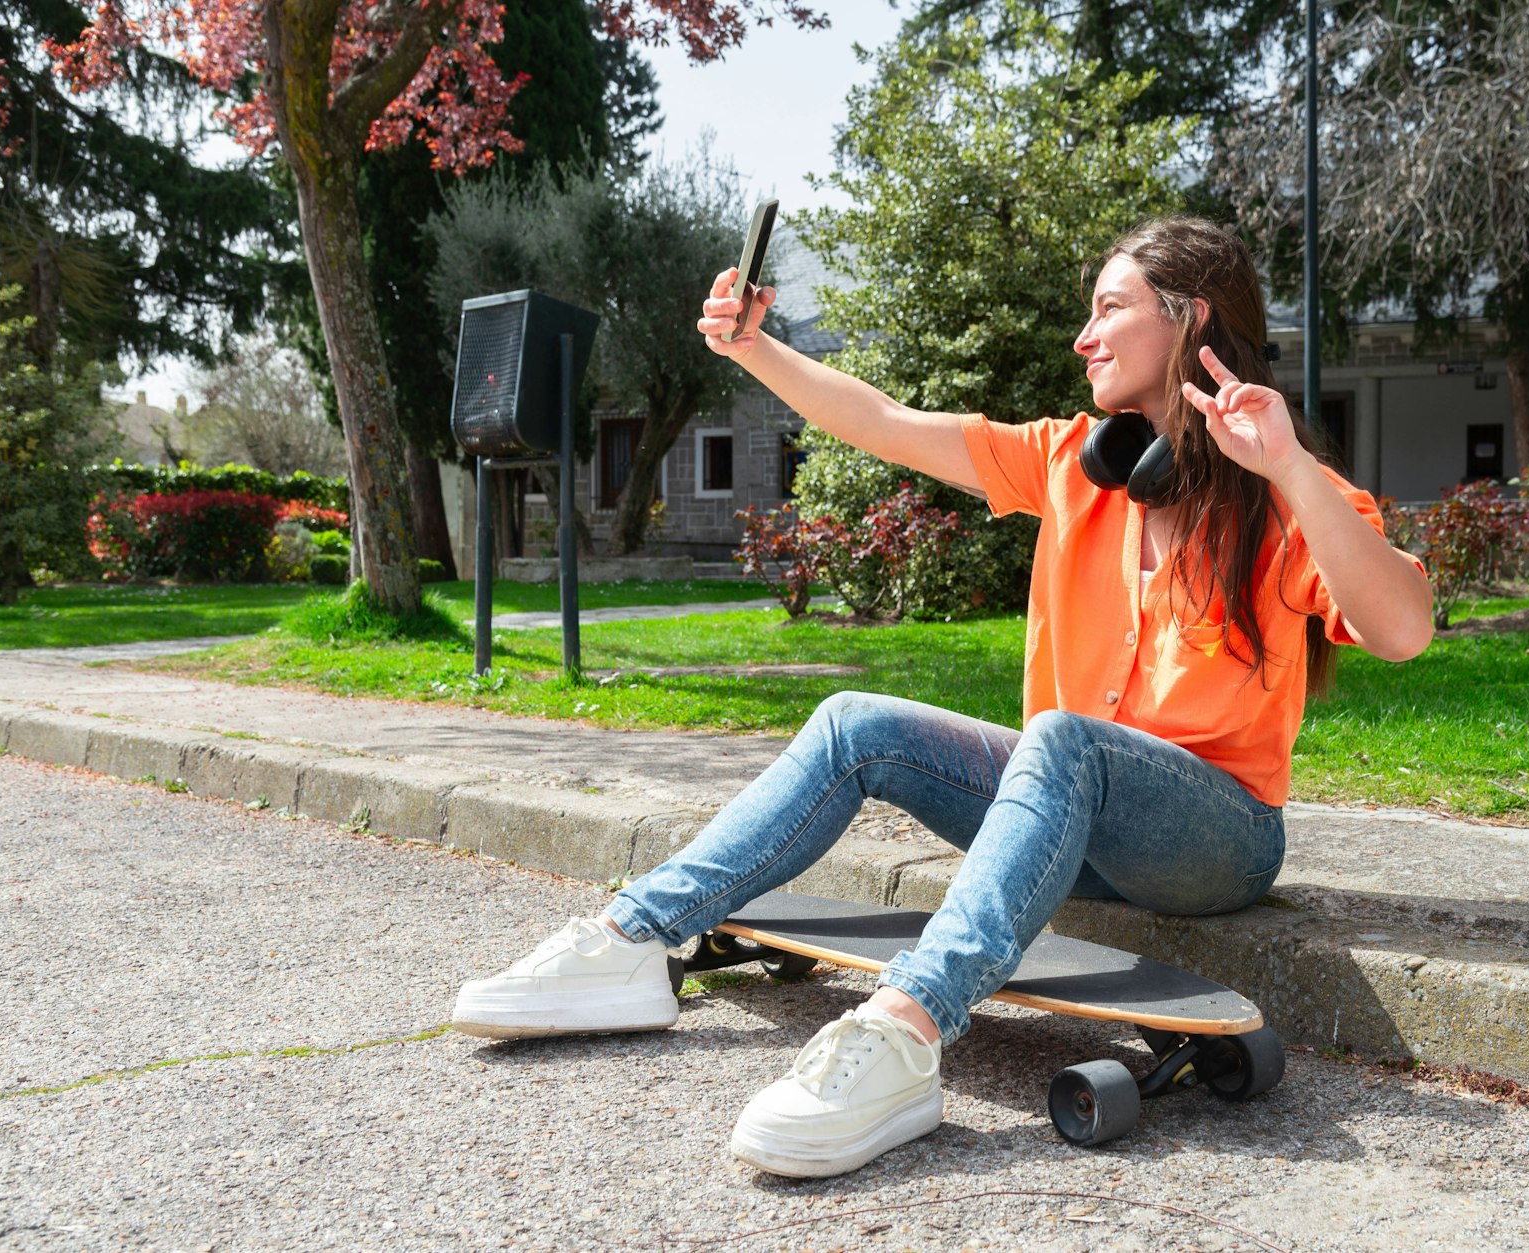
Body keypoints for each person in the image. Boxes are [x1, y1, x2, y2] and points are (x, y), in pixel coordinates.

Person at [452, 216, 1433, 1178]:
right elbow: (881, 424)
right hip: (1066, 815)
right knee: (854, 723)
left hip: (1211, 838)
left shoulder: (1282, 495)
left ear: (1188, 318)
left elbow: (1401, 628)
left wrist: (1289, 468)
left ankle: (903, 1030)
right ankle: (635, 937)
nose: (1081, 336)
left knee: (1061, 741)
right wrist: (757, 350)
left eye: (1108, 307)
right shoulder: (1070, 465)